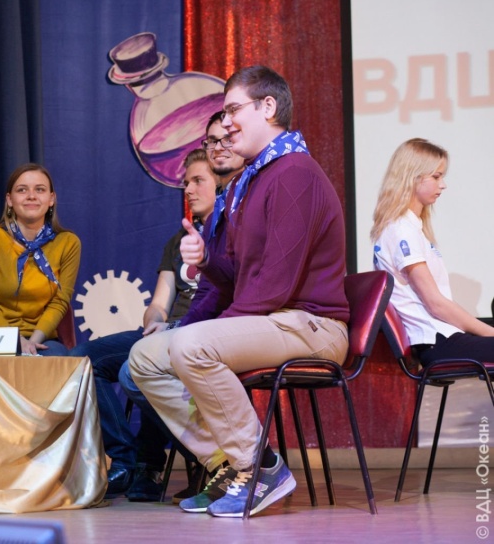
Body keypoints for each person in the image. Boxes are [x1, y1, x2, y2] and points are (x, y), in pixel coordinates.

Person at [129, 65, 350, 518]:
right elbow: (240, 279)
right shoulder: (252, 181)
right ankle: (231, 464)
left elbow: (275, 284)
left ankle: (261, 468)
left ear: (268, 107)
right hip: (275, 318)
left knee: (191, 345)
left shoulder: (295, 173)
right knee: (144, 358)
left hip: (313, 326)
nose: (226, 123)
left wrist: (206, 333)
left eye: (233, 111)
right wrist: (207, 260)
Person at [69, 112, 245, 502]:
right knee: (83, 358)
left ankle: (168, 462)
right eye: (186, 183)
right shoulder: (177, 240)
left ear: (219, 183)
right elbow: (160, 302)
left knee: (137, 370)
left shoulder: (231, 229)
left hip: (205, 332)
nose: (189, 190)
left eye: (198, 181)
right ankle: (126, 458)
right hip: (169, 329)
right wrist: (155, 320)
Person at [372, 138, 494, 365]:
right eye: (436, 177)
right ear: (412, 177)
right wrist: (490, 333)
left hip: (442, 336)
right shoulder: (401, 230)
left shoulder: (410, 228)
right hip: (436, 340)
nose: (443, 185)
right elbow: (436, 304)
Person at [0, 163, 80, 356]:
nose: (31, 196)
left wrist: (31, 344)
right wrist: (15, 340)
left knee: (56, 358)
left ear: (51, 199)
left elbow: (60, 302)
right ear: (9, 200)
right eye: (22, 190)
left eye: (40, 190)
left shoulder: (68, 243)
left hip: (41, 338)